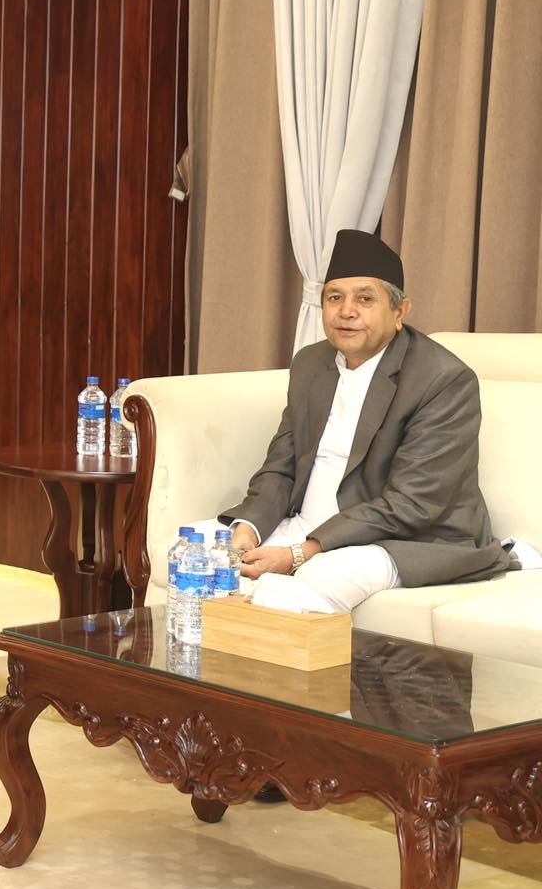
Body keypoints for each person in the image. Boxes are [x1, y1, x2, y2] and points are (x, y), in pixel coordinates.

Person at [219, 228, 521, 615]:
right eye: (335, 297)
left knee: (317, 581)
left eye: (365, 298)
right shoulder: (310, 363)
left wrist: (301, 552)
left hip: (406, 539)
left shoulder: (443, 379)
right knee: (202, 553)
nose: (347, 311)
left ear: (400, 312)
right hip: (308, 527)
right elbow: (281, 466)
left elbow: (411, 503)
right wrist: (248, 530)